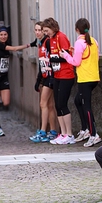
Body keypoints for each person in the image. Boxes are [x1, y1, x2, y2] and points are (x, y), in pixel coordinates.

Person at [60, 18, 101, 147]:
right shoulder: (93, 41)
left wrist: (65, 55)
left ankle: (94, 134)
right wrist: (73, 53)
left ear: (77, 29)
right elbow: (92, 57)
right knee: (78, 101)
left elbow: (76, 62)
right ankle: (86, 129)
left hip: (85, 78)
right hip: (94, 77)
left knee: (86, 106)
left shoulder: (80, 42)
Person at [0, 26, 31, 137]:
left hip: (4, 77)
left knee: (6, 102)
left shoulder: (7, 44)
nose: (3, 36)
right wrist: (28, 45)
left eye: (5, 34)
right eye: (1, 35)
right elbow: (14, 49)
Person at [42, 17, 76, 145]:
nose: (46, 33)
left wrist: (51, 61)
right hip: (56, 75)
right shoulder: (50, 40)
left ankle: (69, 134)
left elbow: (66, 56)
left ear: (52, 28)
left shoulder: (61, 37)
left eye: (46, 30)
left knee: (63, 104)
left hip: (66, 75)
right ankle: (63, 133)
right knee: (57, 105)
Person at [29, 21, 58, 143]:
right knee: (50, 105)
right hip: (46, 76)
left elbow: (50, 60)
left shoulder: (47, 42)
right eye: (35, 30)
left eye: (39, 30)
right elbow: (42, 64)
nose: (37, 32)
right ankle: (53, 131)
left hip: (50, 76)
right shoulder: (40, 43)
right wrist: (39, 80)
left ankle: (42, 132)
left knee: (43, 103)